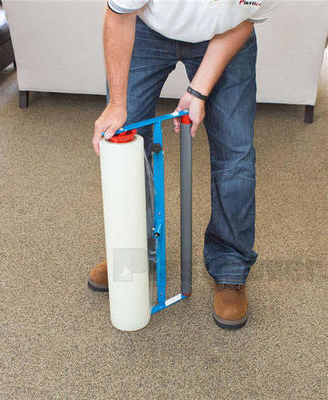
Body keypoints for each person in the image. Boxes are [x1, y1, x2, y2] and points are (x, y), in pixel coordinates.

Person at [89, 0, 277, 330]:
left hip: (225, 32)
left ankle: (230, 269)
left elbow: (243, 20)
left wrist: (198, 91)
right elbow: (119, 16)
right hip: (146, 28)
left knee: (235, 152)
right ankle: (134, 254)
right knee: (125, 139)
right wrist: (117, 105)